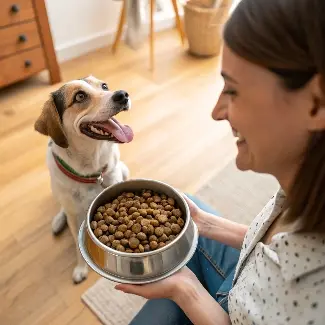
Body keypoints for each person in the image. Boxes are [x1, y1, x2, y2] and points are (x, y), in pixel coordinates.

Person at [114, 0, 325, 324]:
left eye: (233, 90)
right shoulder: (305, 176)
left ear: (315, 103)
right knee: (189, 210)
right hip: (248, 277)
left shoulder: (308, 305)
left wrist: (185, 289)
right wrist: (206, 224)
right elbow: (276, 248)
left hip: (236, 313)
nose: (216, 111)